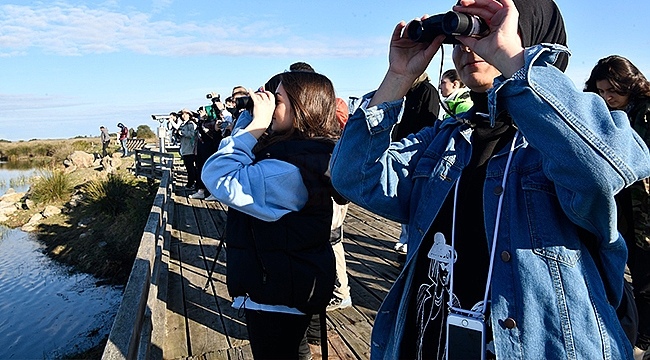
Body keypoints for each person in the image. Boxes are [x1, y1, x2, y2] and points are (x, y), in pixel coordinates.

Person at [329, 0, 650, 359]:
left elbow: (602, 169)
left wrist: (513, 62)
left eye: (485, 28)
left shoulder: (567, 138)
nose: (468, 45)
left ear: (530, 36)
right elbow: (353, 178)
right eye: (460, 34)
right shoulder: (444, 138)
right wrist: (398, 78)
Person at [202, 71, 343, 359]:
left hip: (277, 293)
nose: (268, 106)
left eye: (276, 100)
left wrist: (255, 124)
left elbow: (217, 173)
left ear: (302, 109)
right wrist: (249, 120)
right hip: (287, 283)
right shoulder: (302, 153)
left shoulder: (286, 170)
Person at [585, 55, 650, 360]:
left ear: (629, 85)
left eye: (613, 91)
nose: (607, 98)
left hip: (645, 212)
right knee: (635, 274)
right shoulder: (606, 116)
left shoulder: (645, 113)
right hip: (627, 214)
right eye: (601, 92)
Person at [390, 72, 441, 255]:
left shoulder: (427, 91)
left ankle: (410, 240)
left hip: (416, 152)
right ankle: (404, 238)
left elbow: (430, 120)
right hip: (403, 147)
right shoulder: (407, 93)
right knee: (404, 196)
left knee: (413, 196)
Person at [173, 108, 197, 190]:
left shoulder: (191, 124)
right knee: (188, 167)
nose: (184, 116)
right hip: (184, 148)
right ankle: (192, 183)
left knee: (190, 167)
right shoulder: (183, 124)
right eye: (183, 114)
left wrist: (182, 133)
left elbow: (192, 134)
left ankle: (191, 183)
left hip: (190, 148)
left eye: (186, 114)